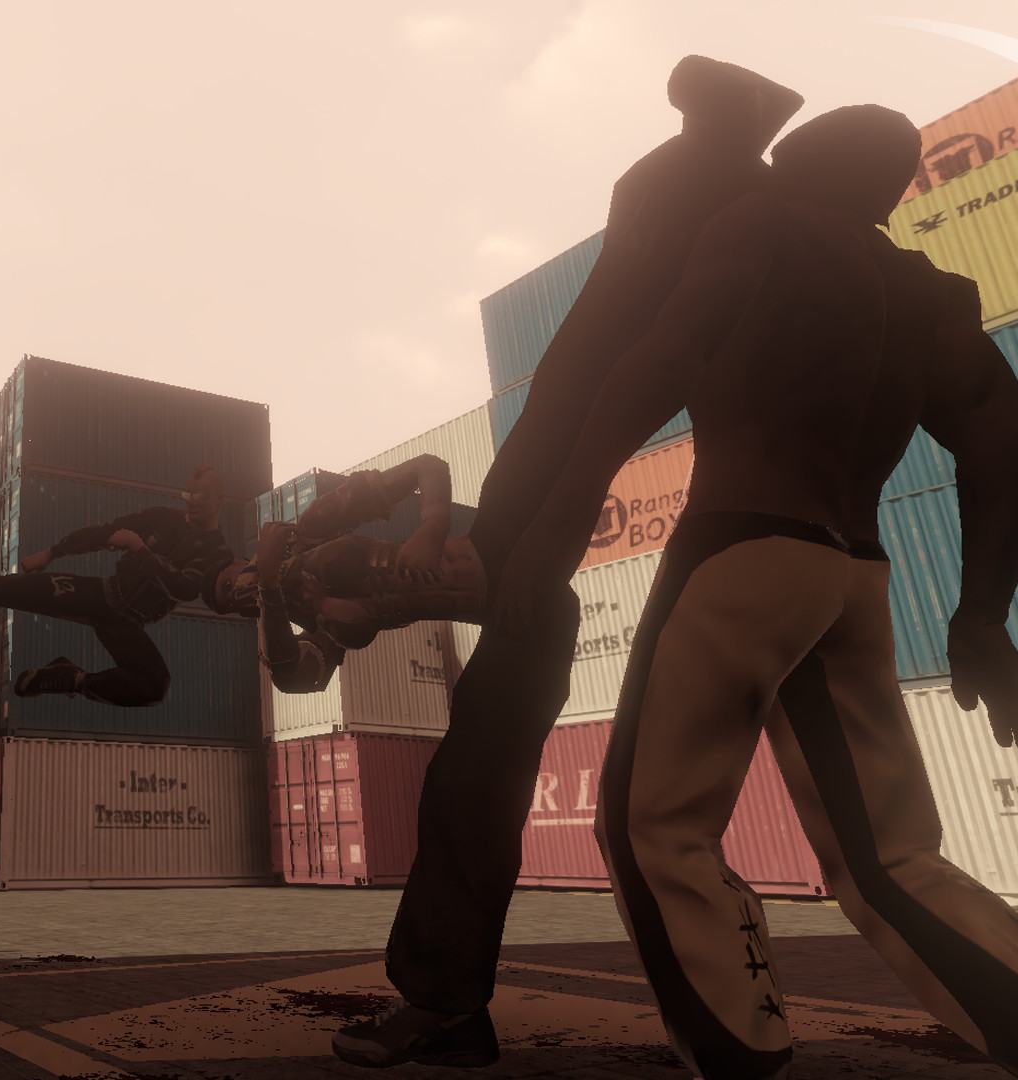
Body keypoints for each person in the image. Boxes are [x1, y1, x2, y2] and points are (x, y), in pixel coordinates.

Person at [497, 105, 1018, 1079]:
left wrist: (560, 518)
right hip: (853, 573)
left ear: (807, 161)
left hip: (742, 553)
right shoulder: (930, 292)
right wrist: (983, 614)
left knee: (658, 829)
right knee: (894, 853)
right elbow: (1012, 446)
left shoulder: (762, 227)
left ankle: (742, 1058)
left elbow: (662, 359)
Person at [333, 56, 807, 1069]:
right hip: (527, 547)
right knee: (483, 788)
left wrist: (500, 551)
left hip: (529, 552)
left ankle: (447, 1007)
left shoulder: (699, 196)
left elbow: (616, 397)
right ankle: (451, 1004)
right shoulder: (726, 201)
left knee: (477, 790)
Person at [0, 465, 234, 706]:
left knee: (155, 686)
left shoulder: (215, 550)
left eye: (200, 497)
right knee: (5, 589)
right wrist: (52, 552)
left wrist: (140, 550)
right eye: (187, 495)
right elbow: (104, 532)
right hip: (100, 594)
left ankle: (71, 679)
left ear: (220, 499)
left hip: (127, 622)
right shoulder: (162, 518)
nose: (190, 504)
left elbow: (184, 587)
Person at [199, 455, 480, 691]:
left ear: (238, 561)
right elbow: (294, 677)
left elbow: (427, 466)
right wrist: (270, 590)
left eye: (227, 584)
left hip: (481, 551)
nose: (237, 594)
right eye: (231, 602)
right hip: (483, 607)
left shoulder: (311, 529)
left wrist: (433, 526)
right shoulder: (309, 617)